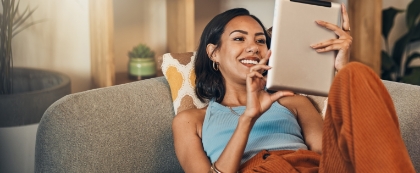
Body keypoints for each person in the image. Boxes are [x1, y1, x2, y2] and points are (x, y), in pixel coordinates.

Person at [172, 5, 416, 173]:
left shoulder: (291, 101)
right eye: (239, 39)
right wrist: (248, 117)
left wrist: (341, 71)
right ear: (213, 52)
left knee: (355, 73)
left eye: (260, 40)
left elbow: (333, 155)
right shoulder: (191, 120)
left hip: (310, 166)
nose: (253, 48)